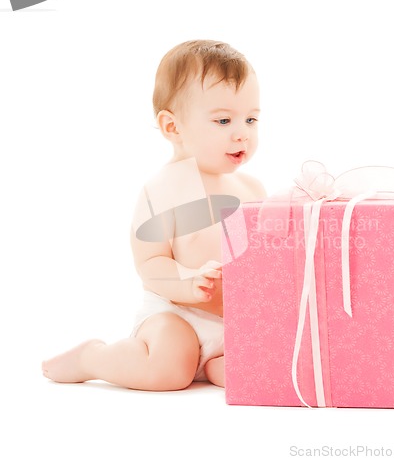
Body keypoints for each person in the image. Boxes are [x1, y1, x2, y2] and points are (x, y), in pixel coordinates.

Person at [42, 40, 266, 390]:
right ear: (172, 127)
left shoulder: (252, 189)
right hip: (177, 315)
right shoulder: (165, 187)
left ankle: (211, 367)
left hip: (233, 323)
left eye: (251, 119)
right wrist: (188, 282)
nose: (243, 133)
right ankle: (92, 357)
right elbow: (150, 264)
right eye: (223, 120)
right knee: (169, 367)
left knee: (266, 365)